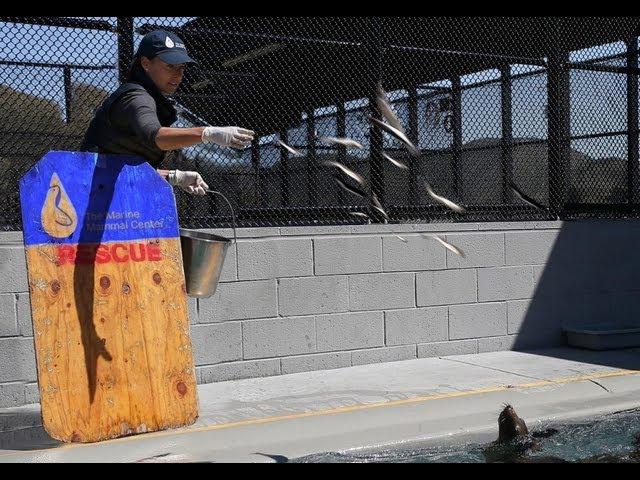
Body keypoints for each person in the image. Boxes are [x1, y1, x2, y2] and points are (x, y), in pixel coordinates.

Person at [81, 29, 254, 195]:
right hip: (85, 199)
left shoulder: (149, 97)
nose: (178, 75)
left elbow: (121, 170)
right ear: (146, 63)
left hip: (101, 192)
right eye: (170, 66)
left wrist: (174, 177)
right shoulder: (136, 98)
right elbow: (155, 137)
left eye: (182, 68)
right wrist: (207, 133)